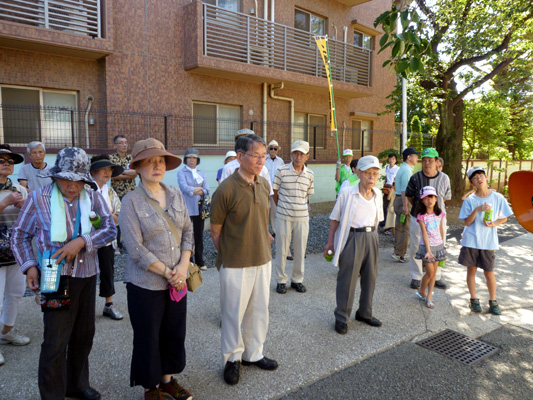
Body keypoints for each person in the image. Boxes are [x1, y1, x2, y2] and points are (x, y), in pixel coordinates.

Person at [12, 147, 116, 400]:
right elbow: (20, 236)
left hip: (87, 273)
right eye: (67, 179)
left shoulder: (92, 197)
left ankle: (77, 385)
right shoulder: (38, 198)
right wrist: (29, 266)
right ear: (56, 176)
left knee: (83, 335)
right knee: (55, 340)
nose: (73, 186)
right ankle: (52, 395)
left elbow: (110, 229)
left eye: (79, 180)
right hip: (52, 273)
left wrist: (82, 241)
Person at [119, 138, 193, 400]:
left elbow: (187, 231)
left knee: (174, 331)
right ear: (137, 167)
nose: (156, 166)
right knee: (148, 336)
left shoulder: (175, 193)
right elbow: (135, 248)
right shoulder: (131, 201)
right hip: (145, 283)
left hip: (178, 279)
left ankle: (168, 380)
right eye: (149, 161)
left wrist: (183, 267)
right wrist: (168, 273)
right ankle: (150, 387)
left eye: (160, 161)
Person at [210, 133, 278, 386]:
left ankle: (253, 354)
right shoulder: (225, 190)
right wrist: (229, 252)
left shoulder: (263, 184)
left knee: (259, 310)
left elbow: (260, 220)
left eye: (263, 156)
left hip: (262, 258)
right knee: (232, 313)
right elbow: (215, 231)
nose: (262, 160)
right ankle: (232, 359)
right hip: (235, 263)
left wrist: (264, 236)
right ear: (239, 157)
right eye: (256, 156)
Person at [324, 155, 384, 335]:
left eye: (375, 173)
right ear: (358, 173)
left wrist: (376, 241)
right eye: (367, 173)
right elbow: (335, 219)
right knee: (347, 279)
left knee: (370, 278)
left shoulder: (378, 194)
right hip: (352, 237)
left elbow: (377, 220)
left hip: (371, 237)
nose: (371, 177)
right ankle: (342, 317)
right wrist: (330, 243)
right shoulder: (347, 193)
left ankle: (364, 313)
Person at [458, 166, 513, 315]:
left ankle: (493, 301)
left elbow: (505, 217)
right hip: (471, 240)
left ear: (486, 176)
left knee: (489, 272)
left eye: (481, 175)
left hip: (488, 241)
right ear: (472, 183)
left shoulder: (497, 197)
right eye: (475, 178)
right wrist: (477, 210)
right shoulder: (470, 200)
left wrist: (493, 224)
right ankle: (474, 300)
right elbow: (467, 222)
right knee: (472, 270)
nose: (479, 179)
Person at [0, 145, 29, 367]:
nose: (6, 163)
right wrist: (5, 203)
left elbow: (27, 221)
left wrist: (22, 207)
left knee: (16, 294)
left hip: (14, 252)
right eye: (1, 160)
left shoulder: (19, 188)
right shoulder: (10, 194)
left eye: (10, 161)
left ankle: (7, 331)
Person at [405, 148, 451, 290]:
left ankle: (436, 276)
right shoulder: (415, 178)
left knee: (439, 246)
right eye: (424, 160)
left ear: (437, 162)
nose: (427, 164)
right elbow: (409, 195)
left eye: (430, 160)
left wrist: (436, 212)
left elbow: (446, 198)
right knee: (415, 246)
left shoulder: (444, 178)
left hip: (438, 219)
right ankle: (416, 276)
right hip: (418, 218)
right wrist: (420, 210)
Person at [273, 140, 314, 294]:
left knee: (300, 249)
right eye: (295, 153)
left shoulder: (310, 174)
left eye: (301, 154)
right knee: (282, 248)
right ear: (291, 154)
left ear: (307, 156)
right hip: (283, 216)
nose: (298, 157)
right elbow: (275, 193)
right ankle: (281, 280)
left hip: (302, 218)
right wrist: (283, 208)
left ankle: (297, 279)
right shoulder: (281, 171)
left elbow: (307, 195)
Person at [90, 155, 124, 320]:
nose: (107, 172)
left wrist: (105, 217)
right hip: (88, 239)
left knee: (108, 270)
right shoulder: (86, 190)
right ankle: (85, 306)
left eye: (109, 169)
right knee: (86, 272)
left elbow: (119, 213)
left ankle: (108, 304)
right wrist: (108, 217)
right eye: (103, 169)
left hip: (108, 237)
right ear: (94, 171)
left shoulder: (110, 191)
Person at [177, 148, 210, 271]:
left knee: (199, 235)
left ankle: (200, 261)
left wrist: (193, 190)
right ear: (185, 159)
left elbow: (207, 189)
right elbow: (184, 188)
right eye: (189, 157)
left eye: (194, 158)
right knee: (187, 235)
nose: (192, 160)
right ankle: (188, 261)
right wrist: (198, 190)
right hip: (187, 208)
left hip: (200, 208)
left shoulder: (201, 172)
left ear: (197, 160)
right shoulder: (181, 172)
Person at [414, 187, 446, 309]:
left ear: (436, 198)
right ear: (422, 200)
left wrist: (442, 245)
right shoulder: (421, 216)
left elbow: (441, 229)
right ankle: (422, 290)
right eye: (426, 198)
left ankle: (429, 296)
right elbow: (425, 234)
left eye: (431, 197)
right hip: (427, 247)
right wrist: (428, 250)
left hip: (438, 246)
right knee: (430, 272)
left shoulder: (440, 214)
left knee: (434, 273)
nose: (429, 200)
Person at [110, 135, 138, 252]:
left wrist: (121, 172)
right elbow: (113, 175)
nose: (125, 145)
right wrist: (127, 173)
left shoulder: (131, 158)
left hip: (131, 192)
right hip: (117, 193)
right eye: (121, 142)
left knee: (130, 219)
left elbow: (136, 173)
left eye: (126, 142)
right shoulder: (111, 158)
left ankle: (128, 243)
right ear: (115, 145)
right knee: (117, 218)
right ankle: (116, 245)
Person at [392, 148, 419, 263]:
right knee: (405, 228)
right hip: (403, 200)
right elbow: (404, 190)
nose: (417, 158)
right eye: (415, 155)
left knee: (399, 226)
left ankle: (397, 251)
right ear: (409, 157)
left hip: (398, 199)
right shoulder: (407, 170)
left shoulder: (403, 168)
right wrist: (405, 205)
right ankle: (401, 254)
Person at [264, 140, 285, 237]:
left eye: (275, 149)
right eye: (271, 148)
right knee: (264, 210)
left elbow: (283, 174)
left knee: (274, 210)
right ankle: (264, 230)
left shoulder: (280, 161)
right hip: (264, 188)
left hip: (275, 189)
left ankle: (274, 230)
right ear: (268, 149)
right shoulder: (263, 159)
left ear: (277, 150)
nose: (273, 150)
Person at [380, 153, 399, 229]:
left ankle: (390, 226)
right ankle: (384, 222)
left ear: (396, 160)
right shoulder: (387, 167)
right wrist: (384, 186)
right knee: (384, 205)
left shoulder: (397, 169)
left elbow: (396, 180)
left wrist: (392, 189)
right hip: (386, 188)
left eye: (393, 159)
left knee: (390, 206)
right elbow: (386, 178)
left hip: (392, 188)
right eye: (390, 158)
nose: (391, 160)